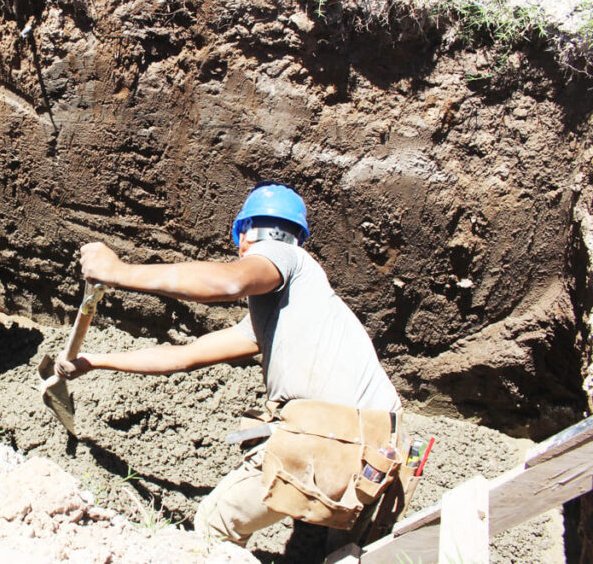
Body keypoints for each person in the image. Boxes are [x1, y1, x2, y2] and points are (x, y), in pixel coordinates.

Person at [56, 181, 402, 545]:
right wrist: (94, 361)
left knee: (215, 524)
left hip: (337, 438)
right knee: (340, 550)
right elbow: (183, 356)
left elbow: (229, 282)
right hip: (382, 447)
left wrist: (119, 271)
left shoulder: (285, 256)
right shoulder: (286, 313)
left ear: (243, 235)